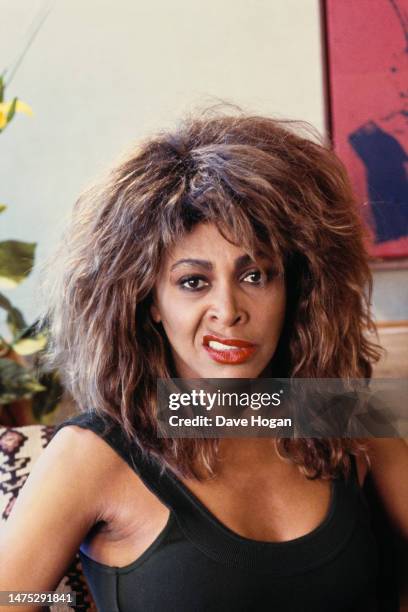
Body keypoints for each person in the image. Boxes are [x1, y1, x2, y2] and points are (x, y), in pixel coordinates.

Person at [0, 110, 407, 611]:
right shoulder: (96, 454)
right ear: (149, 300)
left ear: (295, 286)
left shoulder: (344, 417)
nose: (230, 311)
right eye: (194, 282)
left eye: (255, 275)